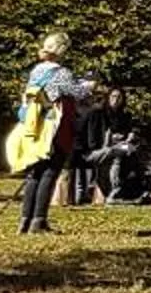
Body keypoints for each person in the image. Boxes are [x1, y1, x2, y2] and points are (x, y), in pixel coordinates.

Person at [11, 33, 94, 235]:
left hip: (34, 127)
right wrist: (89, 86)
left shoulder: (36, 71)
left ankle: (25, 220)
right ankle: (39, 221)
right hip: (54, 128)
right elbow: (78, 93)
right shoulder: (62, 73)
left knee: (34, 174)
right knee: (50, 172)